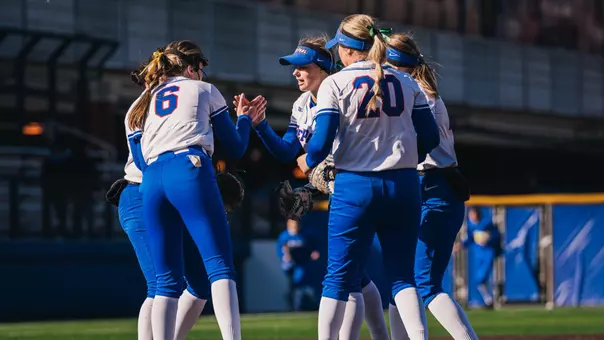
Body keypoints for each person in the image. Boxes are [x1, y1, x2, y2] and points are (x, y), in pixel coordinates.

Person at [296, 15, 440, 340]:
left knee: (337, 279)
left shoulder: (334, 83)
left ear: (347, 49)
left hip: (355, 186)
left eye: (340, 48)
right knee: (403, 277)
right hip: (403, 185)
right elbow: (430, 137)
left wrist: (308, 163)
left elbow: (319, 146)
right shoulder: (407, 81)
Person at [235, 36, 389, 339]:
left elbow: (330, 151)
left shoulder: (343, 91)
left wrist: (315, 167)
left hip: (361, 184)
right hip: (339, 191)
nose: (295, 72)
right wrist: (261, 126)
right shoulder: (301, 104)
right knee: (355, 274)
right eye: (293, 67)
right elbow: (286, 150)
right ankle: (381, 336)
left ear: (321, 68)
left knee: (347, 276)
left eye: (301, 66)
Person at [127, 40, 265, 340]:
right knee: (219, 266)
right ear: (191, 68)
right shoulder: (203, 89)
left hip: (150, 181)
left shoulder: (139, 106)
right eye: (200, 70)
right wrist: (244, 119)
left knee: (165, 283)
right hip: (188, 167)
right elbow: (236, 146)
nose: (202, 75)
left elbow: (140, 162)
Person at [382, 32, 479, 340]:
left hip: (434, 187)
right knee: (404, 279)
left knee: (424, 283)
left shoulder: (416, 95)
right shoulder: (417, 91)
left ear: (395, 65)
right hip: (430, 186)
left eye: (384, 61)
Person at [461, 206, 502, 309]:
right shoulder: (471, 225)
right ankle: (489, 300)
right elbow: (470, 238)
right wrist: (461, 245)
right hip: (478, 254)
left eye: (472, 214)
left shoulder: (486, 223)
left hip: (488, 254)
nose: (471, 216)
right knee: (480, 279)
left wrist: (489, 238)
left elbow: (496, 235)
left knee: (482, 278)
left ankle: (492, 298)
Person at [276, 219, 320, 311]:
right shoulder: (285, 236)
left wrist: (313, 252)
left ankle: (299, 305)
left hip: (301, 263)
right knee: (293, 284)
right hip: (290, 264)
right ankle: (292, 302)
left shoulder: (305, 235)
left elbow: (312, 246)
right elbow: (281, 249)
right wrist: (285, 257)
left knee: (300, 281)